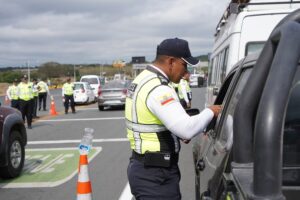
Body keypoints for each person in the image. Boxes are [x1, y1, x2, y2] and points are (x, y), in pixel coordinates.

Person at [125, 37, 222, 200]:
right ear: (171, 62)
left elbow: (151, 120)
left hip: (145, 168)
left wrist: (173, 133)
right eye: (184, 65)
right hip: (156, 175)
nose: (186, 72)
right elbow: (187, 129)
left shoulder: (143, 79)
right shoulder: (159, 89)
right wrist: (211, 111)